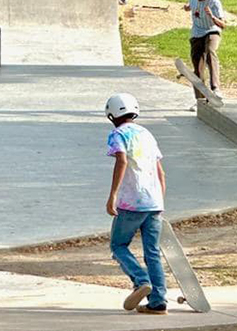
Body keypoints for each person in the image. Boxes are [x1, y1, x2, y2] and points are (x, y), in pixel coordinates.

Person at [104, 93, 168, 315]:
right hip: (154, 202)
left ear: (111, 115)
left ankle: (141, 281)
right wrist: (161, 200)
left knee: (118, 245)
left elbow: (121, 160)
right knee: (152, 252)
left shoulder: (117, 134)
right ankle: (158, 302)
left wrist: (112, 195)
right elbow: (160, 171)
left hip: (131, 203)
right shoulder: (147, 134)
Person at [183, 0, 226, 111]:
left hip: (212, 30)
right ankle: (200, 100)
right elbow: (191, 4)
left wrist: (212, 16)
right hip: (197, 32)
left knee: (210, 51)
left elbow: (223, 25)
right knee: (198, 66)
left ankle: (215, 88)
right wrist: (187, 7)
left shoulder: (214, 2)